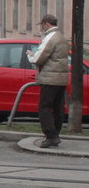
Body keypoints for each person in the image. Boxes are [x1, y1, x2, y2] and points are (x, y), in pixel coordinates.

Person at [27, 14, 69, 148]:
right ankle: (56, 133)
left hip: (50, 79)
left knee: (44, 107)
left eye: (42, 25)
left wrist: (31, 56)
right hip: (61, 79)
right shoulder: (62, 37)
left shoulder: (50, 37)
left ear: (46, 24)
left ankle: (50, 136)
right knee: (58, 108)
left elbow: (39, 58)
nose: (42, 28)